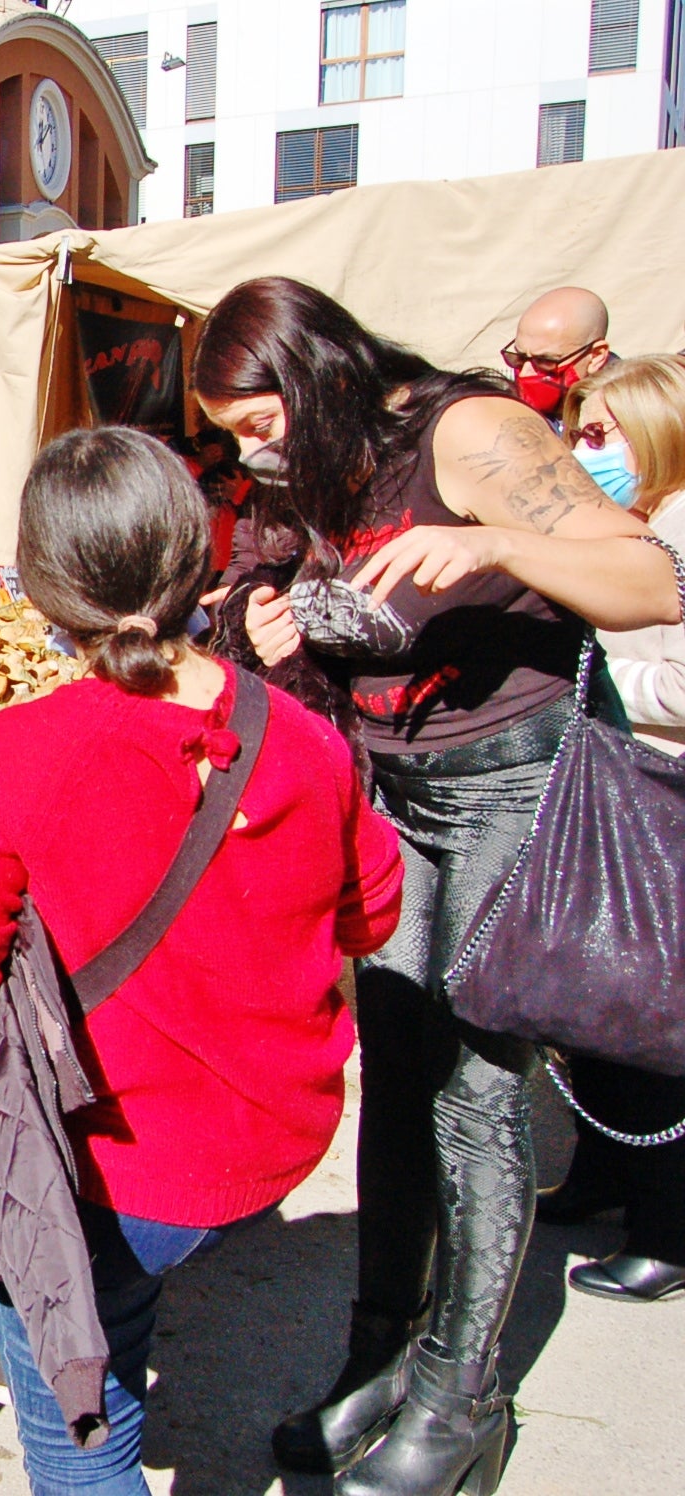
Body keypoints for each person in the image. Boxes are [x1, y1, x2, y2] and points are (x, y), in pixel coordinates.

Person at [193, 276, 676, 1495]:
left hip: (515, 782)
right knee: (399, 1074)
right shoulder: (316, 468)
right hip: (395, 789)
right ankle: (381, 1355)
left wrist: (498, 540)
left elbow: (655, 579)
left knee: (475, 1091)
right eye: (235, 439)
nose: (253, 456)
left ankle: (464, 1397)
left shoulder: (466, 431)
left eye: (261, 425)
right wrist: (266, 615)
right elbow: (292, 587)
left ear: (314, 376)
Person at [0, 425, 404, 1496]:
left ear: (39, 587)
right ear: (199, 558)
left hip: (112, 1173)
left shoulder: (15, 753)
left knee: (87, 1436)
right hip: (272, 1133)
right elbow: (373, 915)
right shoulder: (302, 735)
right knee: (121, 1314)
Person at [533, 354, 685, 1306]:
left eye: (599, 435)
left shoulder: (677, 532)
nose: (582, 450)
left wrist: (591, 681)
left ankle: (667, 1230)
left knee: (649, 1025)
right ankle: (604, 1174)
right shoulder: (633, 525)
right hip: (622, 791)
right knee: (599, 1012)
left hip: (664, 797)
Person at [505, 286, 614, 425]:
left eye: (545, 361)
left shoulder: (626, 421)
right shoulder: (504, 406)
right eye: (520, 358)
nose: (525, 373)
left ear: (596, 356)